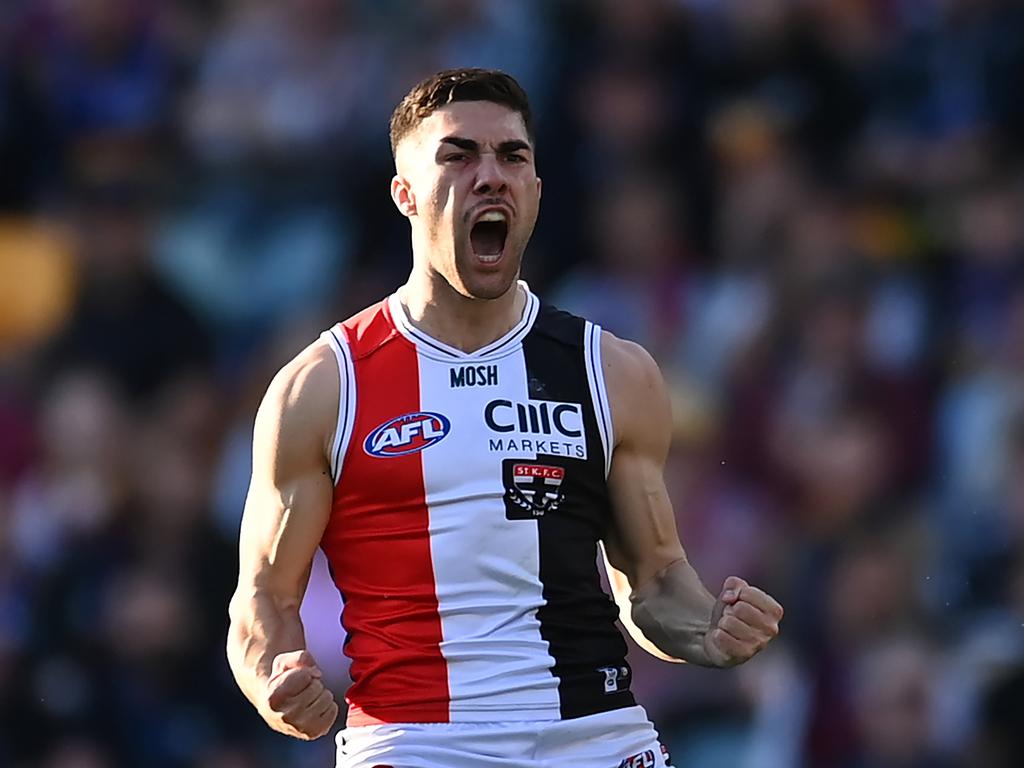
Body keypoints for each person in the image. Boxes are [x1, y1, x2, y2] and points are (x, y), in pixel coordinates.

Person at [227, 68, 783, 768]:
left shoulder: (609, 371)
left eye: (511, 156)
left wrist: (708, 629)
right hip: (415, 745)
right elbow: (262, 603)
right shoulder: (323, 386)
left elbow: (654, 583)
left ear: (536, 191)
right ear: (405, 194)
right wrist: (273, 679)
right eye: (458, 156)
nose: (490, 176)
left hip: (595, 739)